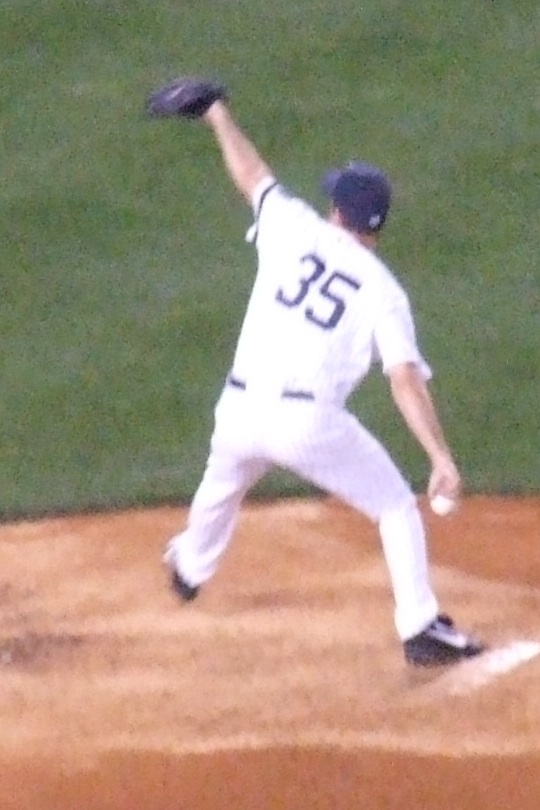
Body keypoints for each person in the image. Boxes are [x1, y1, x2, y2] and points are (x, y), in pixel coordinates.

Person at [163, 95, 486, 667]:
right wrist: (439, 456)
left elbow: (251, 174)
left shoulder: (294, 226)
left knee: (223, 482)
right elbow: (404, 379)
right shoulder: (384, 290)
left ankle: (190, 567)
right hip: (307, 424)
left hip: (238, 407)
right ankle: (419, 626)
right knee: (395, 506)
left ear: (339, 212)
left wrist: (217, 114)